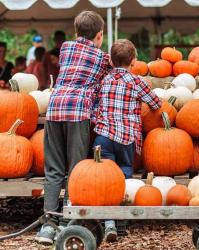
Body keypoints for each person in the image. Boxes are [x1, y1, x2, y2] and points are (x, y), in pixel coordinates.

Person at [35, 10, 112, 245]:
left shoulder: (66, 48)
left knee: (54, 169)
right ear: (99, 36)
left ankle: (48, 225)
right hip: (78, 113)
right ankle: (69, 222)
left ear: (76, 32)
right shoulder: (101, 58)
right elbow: (111, 72)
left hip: (55, 109)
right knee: (76, 170)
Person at [93, 39, 161, 242]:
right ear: (134, 61)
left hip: (103, 137)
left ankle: (109, 222)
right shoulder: (136, 81)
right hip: (125, 138)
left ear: (112, 62)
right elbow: (156, 103)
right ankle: (120, 221)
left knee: (106, 180)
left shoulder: (104, 80)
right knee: (123, 177)